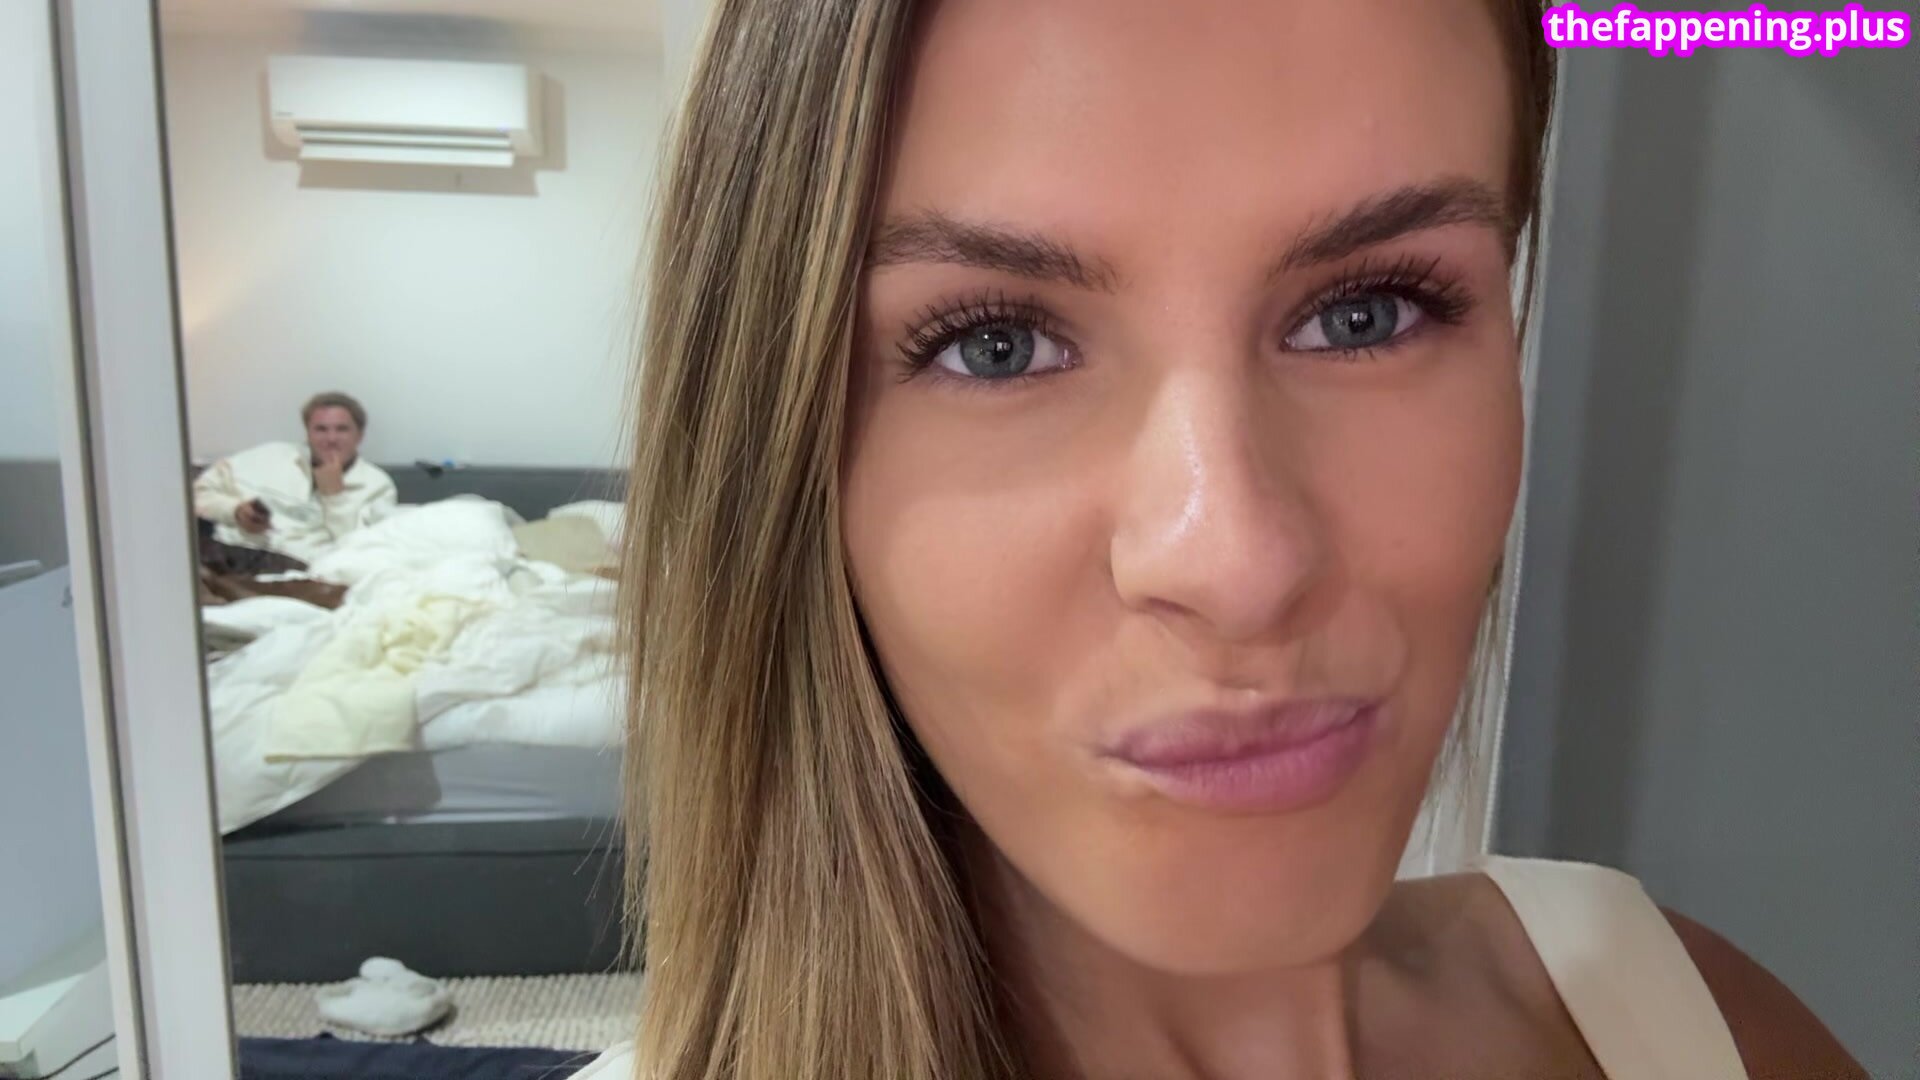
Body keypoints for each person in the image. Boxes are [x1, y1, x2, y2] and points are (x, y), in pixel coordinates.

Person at [584, 1, 1867, 1078]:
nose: (1239, 562)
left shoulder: (1687, 1017)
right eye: (997, 346)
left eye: (1369, 314)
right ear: (782, 457)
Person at [192, 392, 397, 563]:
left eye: (342, 429)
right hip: (236, 555)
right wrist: (235, 511)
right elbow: (195, 494)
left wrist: (335, 498)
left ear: (359, 435)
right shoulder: (269, 456)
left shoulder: (378, 485)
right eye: (321, 429)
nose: (331, 439)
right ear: (308, 433)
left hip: (309, 569)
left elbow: (362, 550)